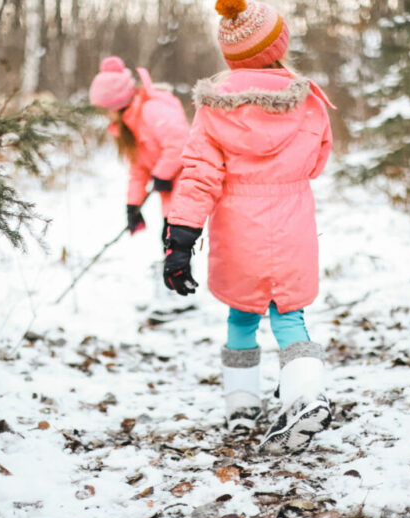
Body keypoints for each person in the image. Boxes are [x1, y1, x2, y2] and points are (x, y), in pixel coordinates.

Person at [162, 0, 335, 454]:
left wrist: (180, 238)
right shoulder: (309, 101)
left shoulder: (214, 108)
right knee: (289, 314)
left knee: (241, 315)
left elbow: (198, 174)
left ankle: (241, 406)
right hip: (293, 224)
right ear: (280, 45)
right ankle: (304, 398)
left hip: (238, 232)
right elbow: (318, 161)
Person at [89, 57, 190, 246]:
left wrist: (161, 174)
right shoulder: (128, 125)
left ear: (117, 104)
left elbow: (181, 143)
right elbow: (138, 168)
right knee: (170, 245)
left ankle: (180, 276)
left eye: (105, 109)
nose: (104, 114)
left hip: (188, 185)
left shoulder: (152, 110)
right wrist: (133, 204)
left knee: (175, 247)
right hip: (171, 192)